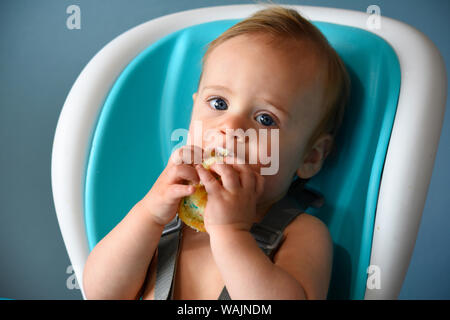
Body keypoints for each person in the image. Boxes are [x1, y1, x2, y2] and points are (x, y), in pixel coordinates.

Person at [83, 4, 351, 300]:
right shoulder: (165, 214)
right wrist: (148, 214)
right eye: (219, 104)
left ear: (310, 157)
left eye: (265, 119)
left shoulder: (300, 234)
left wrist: (231, 234)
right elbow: (101, 294)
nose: (231, 127)